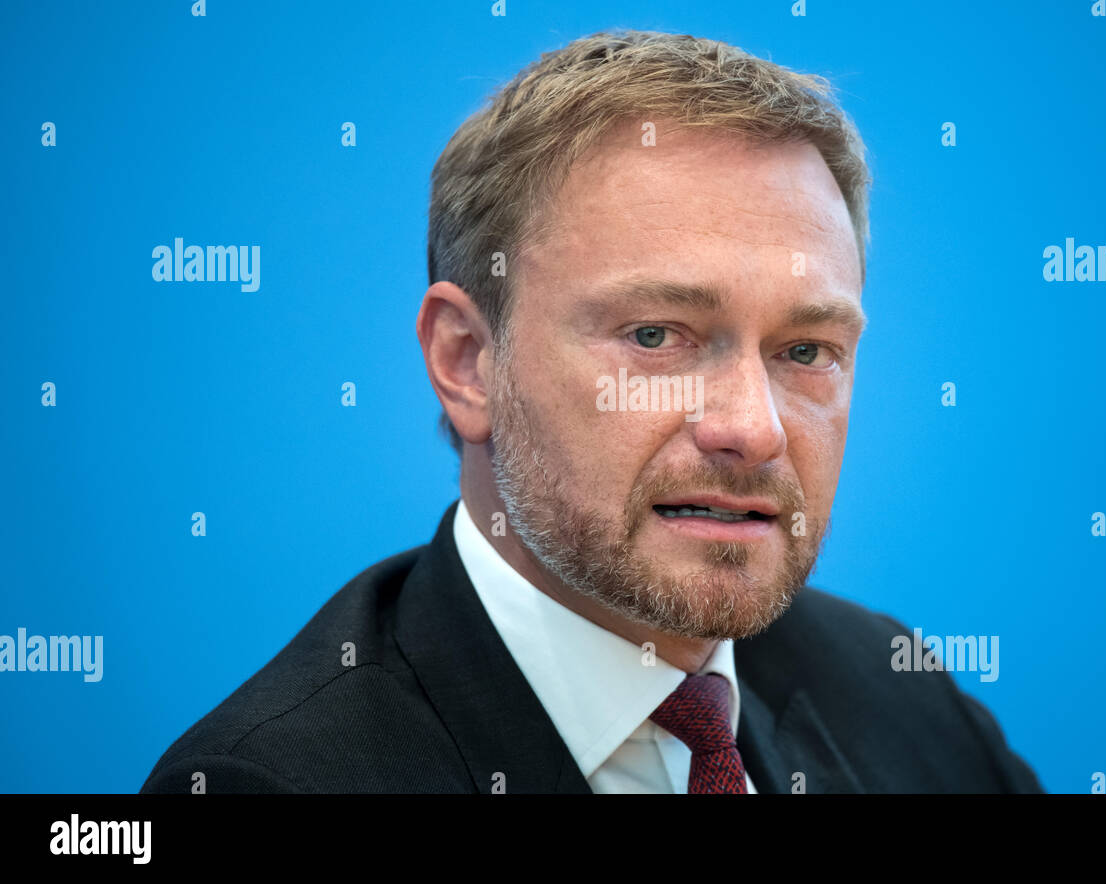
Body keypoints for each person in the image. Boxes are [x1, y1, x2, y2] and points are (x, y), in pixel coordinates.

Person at [141, 28, 1042, 794]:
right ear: (467, 361)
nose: (754, 428)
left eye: (805, 351)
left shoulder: (907, 700)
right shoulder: (271, 783)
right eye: (657, 336)